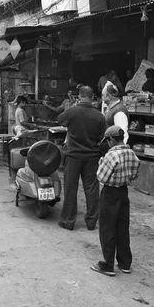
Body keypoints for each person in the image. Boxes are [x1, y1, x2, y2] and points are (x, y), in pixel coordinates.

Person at [90, 125, 140, 277]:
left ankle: (108, 265)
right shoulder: (131, 153)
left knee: (107, 229)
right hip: (123, 193)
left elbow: (101, 177)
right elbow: (134, 175)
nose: (107, 144)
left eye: (108, 140)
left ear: (112, 139)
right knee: (122, 228)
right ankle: (125, 263)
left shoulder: (111, 156)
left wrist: (101, 164)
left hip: (110, 194)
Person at [57, 86, 106, 231]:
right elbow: (104, 136)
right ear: (92, 98)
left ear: (79, 96)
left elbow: (60, 120)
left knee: (71, 188)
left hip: (73, 156)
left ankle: (68, 221)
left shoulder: (72, 111)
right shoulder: (99, 116)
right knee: (91, 189)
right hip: (91, 156)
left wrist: (73, 106)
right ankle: (91, 222)